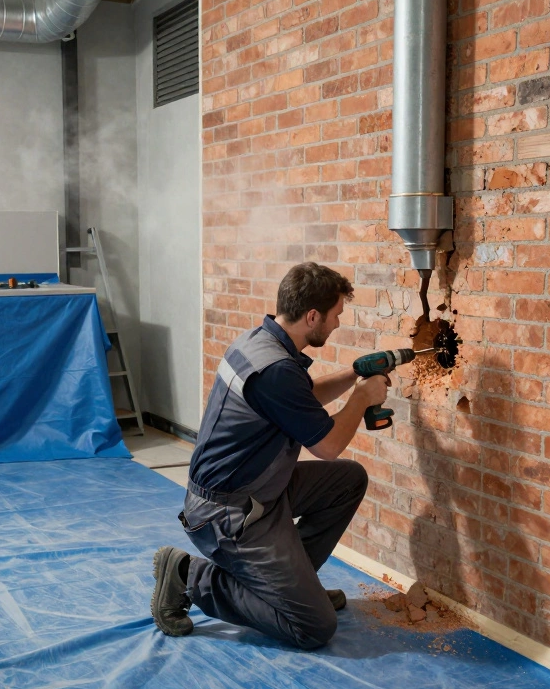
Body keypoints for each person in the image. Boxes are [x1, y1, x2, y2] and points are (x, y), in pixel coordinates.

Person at [150, 262, 390, 650]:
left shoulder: (260, 342)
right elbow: (326, 446)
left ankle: (296, 588)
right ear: (312, 316)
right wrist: (362, 398)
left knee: (348, 481)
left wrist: (351, 375)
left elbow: (302, 399)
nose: (337, 325)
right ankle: (189, 575)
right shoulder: (276, 370)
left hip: (256, 488)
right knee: (313, 628)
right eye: (335, 316)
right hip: (228, 514)